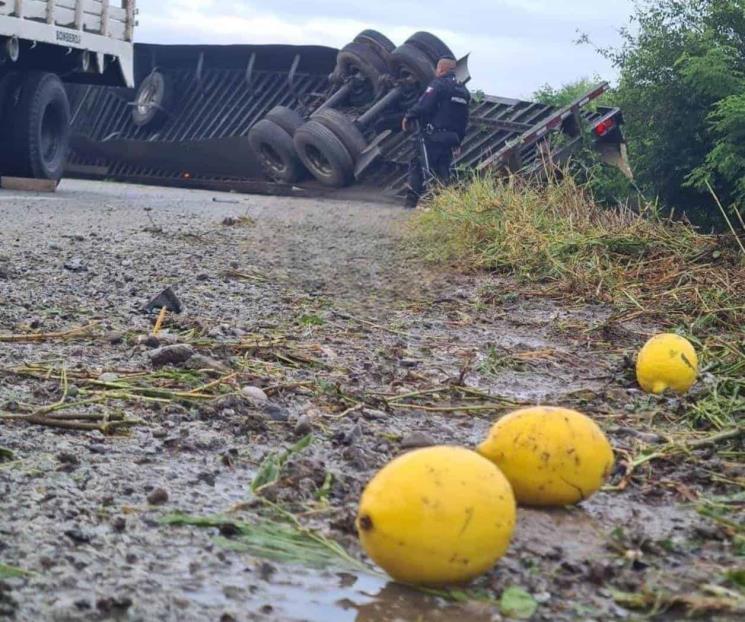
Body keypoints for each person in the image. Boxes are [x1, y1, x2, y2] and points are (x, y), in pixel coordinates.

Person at [402, 57, 471, 208]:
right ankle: (445, 204)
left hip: (433, 137)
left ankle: (410, 203)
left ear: (440, 69)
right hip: (451, 139)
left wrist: (408, 116)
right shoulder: (463, 91)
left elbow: (424, 106)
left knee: (417, 164)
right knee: (443, 170)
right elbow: (464, 120)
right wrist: (458, 141)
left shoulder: (438, 85)